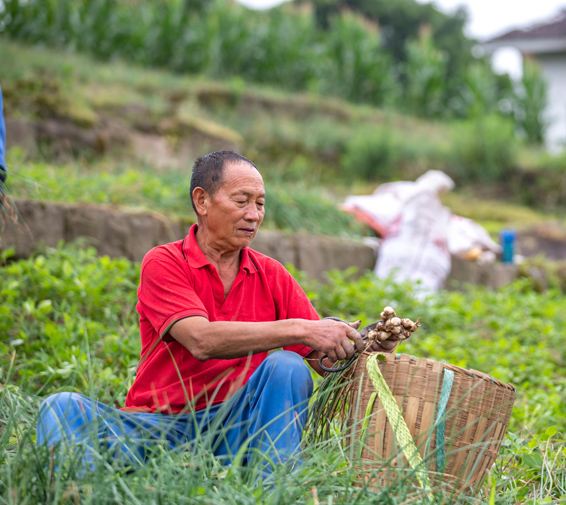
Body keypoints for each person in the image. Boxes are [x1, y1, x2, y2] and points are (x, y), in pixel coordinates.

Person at [36, 150, 392, 475]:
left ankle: (276, 497)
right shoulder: (165, 262)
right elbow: (200, 340)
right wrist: (301, 329)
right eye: (241, 201)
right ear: (202, 201)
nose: (253, 215)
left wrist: (366, 345)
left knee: (286, 366)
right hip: (157, 427)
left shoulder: (272, 275)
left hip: (234, 433)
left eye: (260, 204)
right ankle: (74, 497)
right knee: (62, 406)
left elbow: (320, 359)